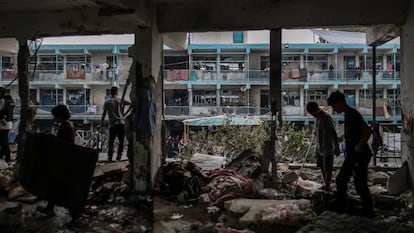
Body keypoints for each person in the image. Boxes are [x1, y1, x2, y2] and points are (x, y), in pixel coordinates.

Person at [327, 90, 375, 218]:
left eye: (333, 106)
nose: (333, 109)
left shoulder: (353, 114)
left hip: (360, 155)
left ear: (340, 102)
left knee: (360, 185)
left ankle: (369, 213)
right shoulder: (347, 115)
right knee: (341, 180)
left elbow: (367, 131)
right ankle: (341, 206)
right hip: (352, 156)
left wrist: (359, 146)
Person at [37, 104, 76, 217]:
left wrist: (53, 140)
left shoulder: (66, 127)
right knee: (56, 185)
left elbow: (66, 144)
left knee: (60, 186)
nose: (54, 118)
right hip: (63, 159)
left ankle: (72, 211)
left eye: (55, 116)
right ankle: (51, 208)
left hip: (64, 160)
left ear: (60, 116)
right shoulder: (65, 125)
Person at [306, 101, 340, 191]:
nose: (312, 115)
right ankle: (325, 183)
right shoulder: (318, 117)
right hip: (320, 146)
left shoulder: (326, 117)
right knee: (321, 166)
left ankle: (328, 186)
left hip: (327, 147)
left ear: (316, 110)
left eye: (312, 113)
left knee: (328, 167)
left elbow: (333, 132)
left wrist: (336, 146)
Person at [99, 86, 131, 161]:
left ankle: (110, 157)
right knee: (121, 141)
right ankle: (119, 157)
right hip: (121, 123)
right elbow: (131, 104)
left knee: (111, 141)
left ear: (111, 92)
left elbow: (103, 114)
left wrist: (101, 124)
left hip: (113, 124)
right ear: (116, 92)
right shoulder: (120, 99)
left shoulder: (107, 102)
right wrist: (124, 115)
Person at [0, 87, 15, 162]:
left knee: (4, 142)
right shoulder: (10, 100)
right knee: (3, 141)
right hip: (8, 123)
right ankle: (2, 156)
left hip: (2, 124)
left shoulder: (2, 100)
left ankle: (7, 158)